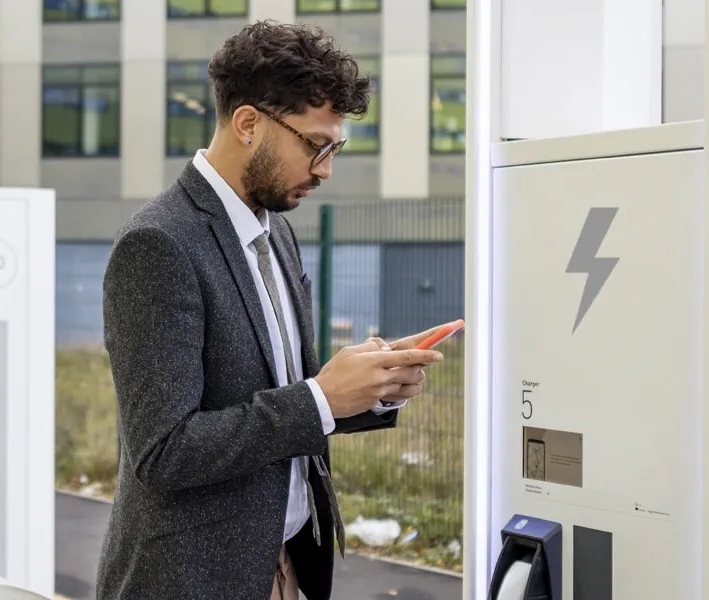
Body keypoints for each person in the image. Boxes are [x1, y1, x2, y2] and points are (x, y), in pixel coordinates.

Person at [95, 20, 449, 600]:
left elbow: (281, 395)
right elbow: (163, 452)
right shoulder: (158, 245)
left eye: (334, 147)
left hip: (285, 566)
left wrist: (369, 388)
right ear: (248, 124)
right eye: (315, 144)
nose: (326, 168)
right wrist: (322, 397)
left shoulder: (276, 233)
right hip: (193, 581)